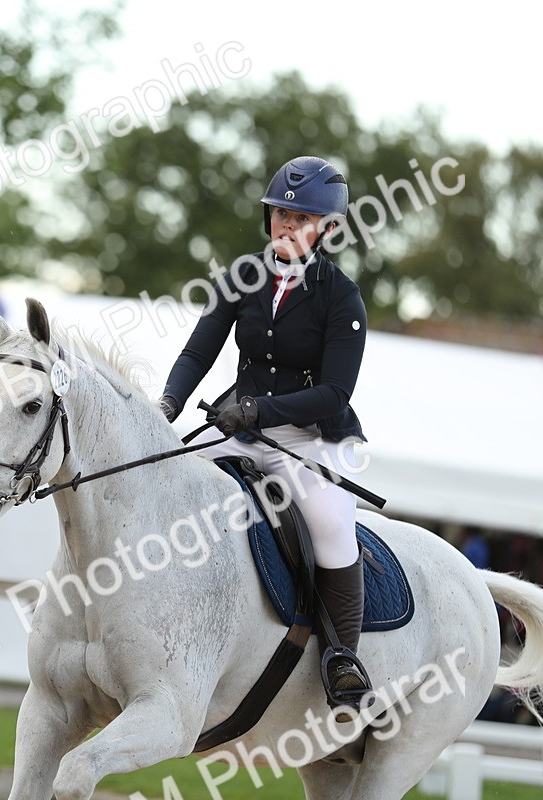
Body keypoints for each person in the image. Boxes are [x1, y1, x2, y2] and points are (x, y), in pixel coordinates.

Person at [158, 156, 371, 714]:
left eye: (302, 218)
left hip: (312, 438)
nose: (287, 225)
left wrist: (258, 410)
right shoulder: (243, 276)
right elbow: (199, 350)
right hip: (242, 427)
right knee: (170, 482)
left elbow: (335, 393)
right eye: (280, 214)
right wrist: (168, 405)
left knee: (330, 524)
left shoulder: (341, 296)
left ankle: (343, 658)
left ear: (327, 228)